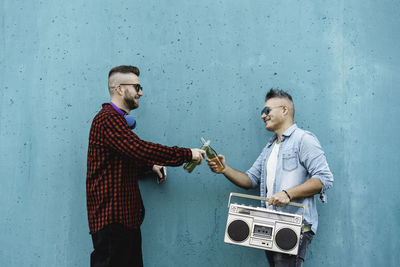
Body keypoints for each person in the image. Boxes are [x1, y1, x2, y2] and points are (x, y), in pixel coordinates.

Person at [86, 65, 205, 267]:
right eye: (137, 87)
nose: (141, 93)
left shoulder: (118, 122)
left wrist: (149, 167)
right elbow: (140, 149)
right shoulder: (107, 119)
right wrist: (187, 154)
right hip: (112, 223)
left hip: (124, 222)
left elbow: (124, 157)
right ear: (120, 89)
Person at [207, 89, 333, 267]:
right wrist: (224, 169)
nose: (262, 116)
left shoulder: (304, 139)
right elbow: (250, 179)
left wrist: (288, 194)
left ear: (284, 110)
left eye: (267, 111)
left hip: (294, 226)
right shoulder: (270, 147)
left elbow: (324, 179)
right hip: (271, 225)